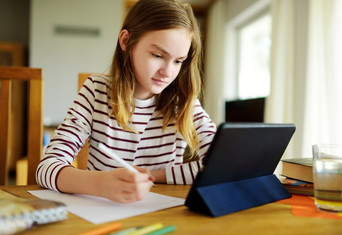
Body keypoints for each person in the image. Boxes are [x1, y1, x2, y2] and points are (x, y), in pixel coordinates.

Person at [36, 0, 216, 203]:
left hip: (161, 214)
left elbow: (220, 165)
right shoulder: (96, 92)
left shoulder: (183, 102)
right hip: (101, 213)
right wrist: (101, 184)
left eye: (178, 61)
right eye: (158, 55)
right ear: (125, 41)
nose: (168, 72)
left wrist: (150, 174)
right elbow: (47, 167)